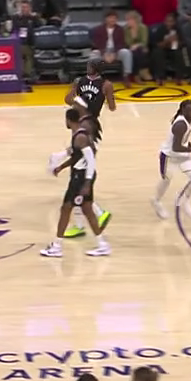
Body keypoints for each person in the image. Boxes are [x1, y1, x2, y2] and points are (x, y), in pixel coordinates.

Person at [42, 108, 110, 258]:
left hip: (81, 178)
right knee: (87, 210)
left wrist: (87, 183)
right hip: (81, 176)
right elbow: (77, 157)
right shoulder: (78, 135)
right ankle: (102, 245)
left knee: (66, 208)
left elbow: (91, 160)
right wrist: (61, 167)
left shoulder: (80, 137)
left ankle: (57, 246)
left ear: (68, 120)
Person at [62, 59, 114, 238]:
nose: (86, 67)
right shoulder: (106, 85)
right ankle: (80, 224)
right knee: (78, 170)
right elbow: (112, 107)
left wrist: (75, 90)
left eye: (89, 65)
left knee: (79, 172)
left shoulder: (80, 81)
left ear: (95, 68)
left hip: (85, 125)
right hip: (91, 123)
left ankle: (97, 214)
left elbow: (68, 100)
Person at [152, 99, 191, 220]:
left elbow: (180, 141)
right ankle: (156, 201)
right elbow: (175, 147)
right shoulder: (180, 125)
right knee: (166, 181)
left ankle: (182, 199)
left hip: (181, 156)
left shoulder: (187, 121)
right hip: (169, 156)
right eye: (190, 111)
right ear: (183, 111)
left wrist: (188, 144)